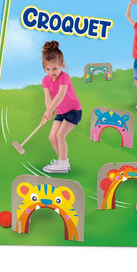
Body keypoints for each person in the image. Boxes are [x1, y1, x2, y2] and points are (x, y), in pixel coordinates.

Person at [40, 41, 82, 174]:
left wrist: (49, 110)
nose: (51, 72)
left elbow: (60, 95)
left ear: (62, 65)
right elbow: (48, 97)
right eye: (47, 69)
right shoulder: (45, 80)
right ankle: (62, 162)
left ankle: (62, 164)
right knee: (52, 137)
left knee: (60, 135)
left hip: (74, 111)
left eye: (54, 69)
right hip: (61, 112)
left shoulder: (65, 77)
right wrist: (49, 110)